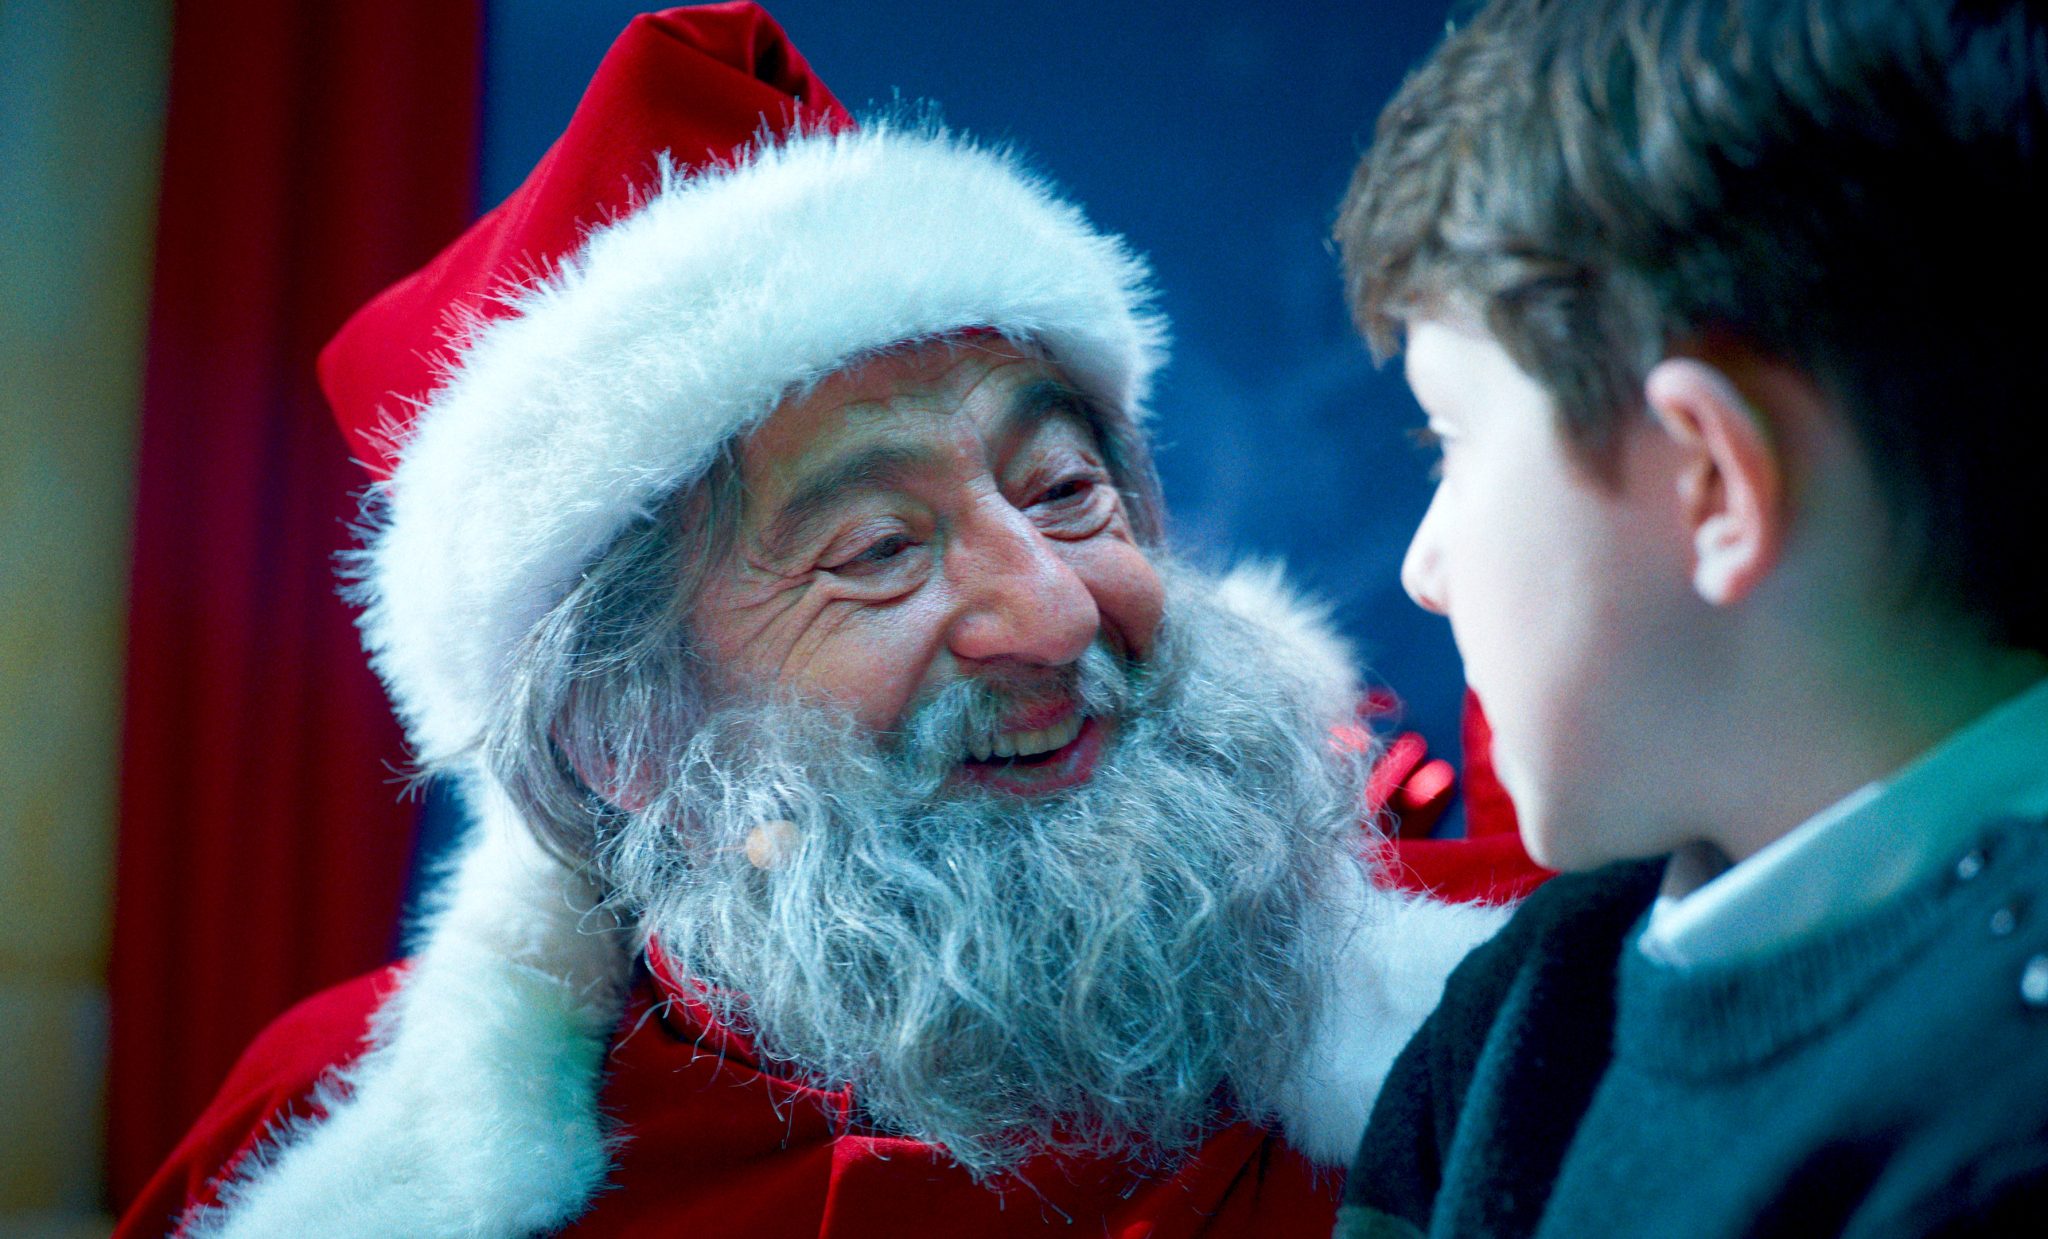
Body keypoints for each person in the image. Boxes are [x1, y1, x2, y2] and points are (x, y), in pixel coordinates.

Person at [116, 7, 1546, 1237]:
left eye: (1065, 490)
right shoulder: (334, 1157)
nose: (1054, 610)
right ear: (625, 735)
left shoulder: (1496, 1031)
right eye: (878, 550)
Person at [1332, 0, 2048, 1234]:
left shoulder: (1999, 1143)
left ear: (1709, 478)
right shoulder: (1512, 1020)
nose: (1422, 568)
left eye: (1450, 438)